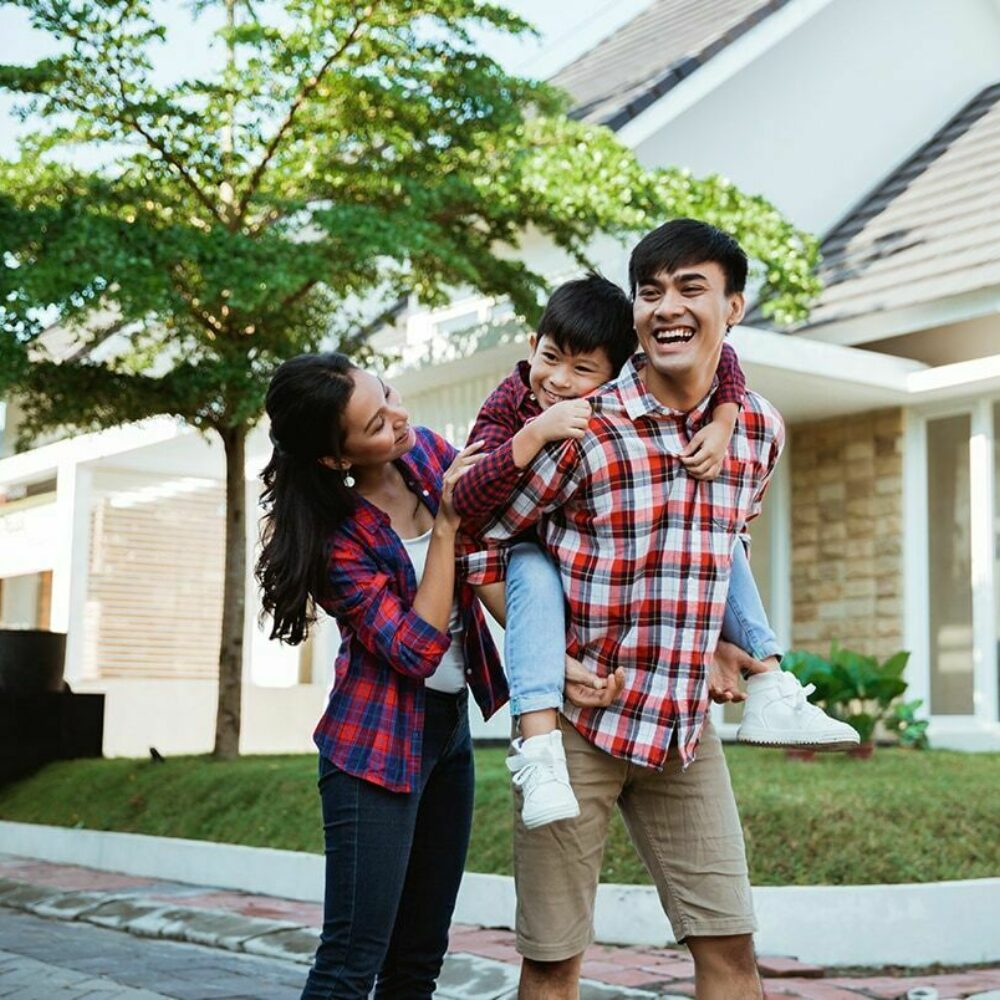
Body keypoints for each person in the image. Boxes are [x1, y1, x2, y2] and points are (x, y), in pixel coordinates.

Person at [468, 219, 847, 999]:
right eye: (651, 291)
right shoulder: (585, 427)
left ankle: (778, 684)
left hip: (680, 726)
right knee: (551, 962)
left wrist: (717, 642)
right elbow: (478, 535)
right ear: (635, 313)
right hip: (577, 726)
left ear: (734, 307)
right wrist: (549, 659)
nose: (668, 306)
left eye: (691, 287)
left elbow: (722, 541)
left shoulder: (758, 432)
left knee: (733, 955)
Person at [254, 353, 620, 999]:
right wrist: (448, 524)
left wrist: (551, 658)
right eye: (374, 424)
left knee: (420, 955)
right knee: (351, 960)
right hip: (373, 752)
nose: (398, 419)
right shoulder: (338, 542)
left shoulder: (424, 454)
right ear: (336, 459)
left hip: (447, 735)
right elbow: (419, 649)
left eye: (387, 395)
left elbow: (493, 524)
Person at [455, 271, 855, 830]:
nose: (560, 381)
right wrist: (536, 432)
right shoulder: (518, 400)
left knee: (725, 537)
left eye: (583, 370)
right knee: (537, 579)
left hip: (657, 684)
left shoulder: (646, 411)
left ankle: (768, 680)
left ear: (618, 370)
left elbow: (727, 365)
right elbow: (466, 506)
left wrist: (725, 416)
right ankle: (538, 748)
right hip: (526, 552)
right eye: (551, 359)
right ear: (532, 347)